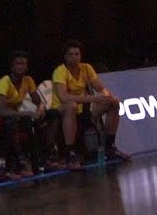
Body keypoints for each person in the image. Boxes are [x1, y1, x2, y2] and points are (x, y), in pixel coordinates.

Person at [49, 41, 125, 170]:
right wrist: (91, 98)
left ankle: (110, 147)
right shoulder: (60, 71)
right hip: (62, 108)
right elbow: (63, 97)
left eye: (77, 54)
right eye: (71, 54)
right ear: (65, 57)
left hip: (83, 107)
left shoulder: (86, 68)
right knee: (71, 106)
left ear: (81, 55)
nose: (74, 57)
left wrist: (107, 96)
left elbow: (100, 88)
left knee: (114, 103)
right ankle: (71, 154)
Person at [0, 51, 46, 177]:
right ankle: (13, 162)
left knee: (42, 118)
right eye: (18, 64)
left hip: (16, 115)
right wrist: (28, 113)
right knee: (14, 123)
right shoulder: (4, 82)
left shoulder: (28, 80)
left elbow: (37, 100)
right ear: (12, 67)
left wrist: (41, 108)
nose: (21, 66)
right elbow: (2, 110)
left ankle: (40, 158)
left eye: (24, 64)